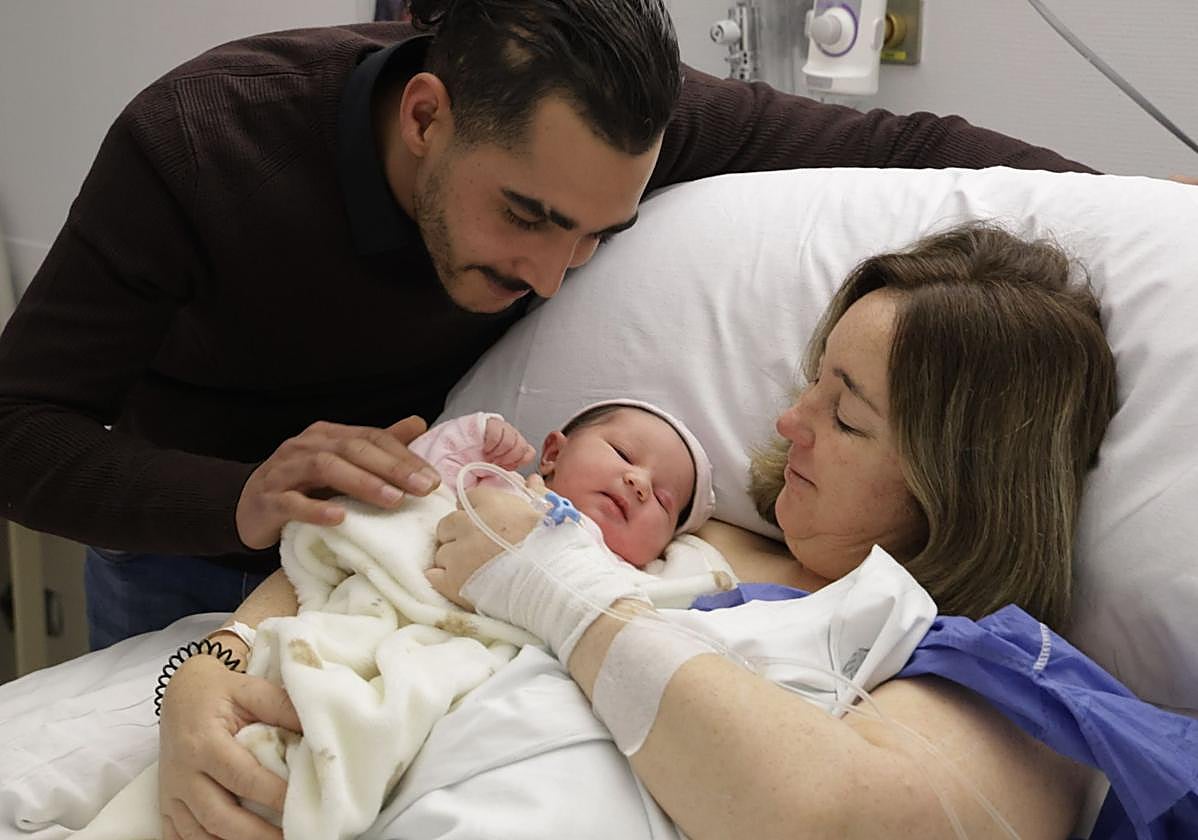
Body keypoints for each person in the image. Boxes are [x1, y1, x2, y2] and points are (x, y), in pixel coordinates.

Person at [0, 0, 1096, 651]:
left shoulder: (617, 129)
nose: (551, 277)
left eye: (592, 235)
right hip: (190, 544)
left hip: (431, 556)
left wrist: (1160, 205)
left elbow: (908, 145)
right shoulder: (200, 141)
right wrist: (232, 501)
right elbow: (19, 428)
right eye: (525, 217)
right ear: (424, 117)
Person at [153, 222, 1127, 839]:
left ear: (956, 487)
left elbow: (819, 815)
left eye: (846, 415)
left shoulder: (981, 675)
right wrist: (211, 662)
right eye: (810, 385)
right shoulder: (687, 535)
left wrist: (546, 581)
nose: (790, 425)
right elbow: (381, 558)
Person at [408, 399, 717, 569]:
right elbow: (426, 484)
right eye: (623, 453)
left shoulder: (629, 579)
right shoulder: (497, 486)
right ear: (554, 453)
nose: (640, 484)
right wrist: (476, 436)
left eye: (663, 501)